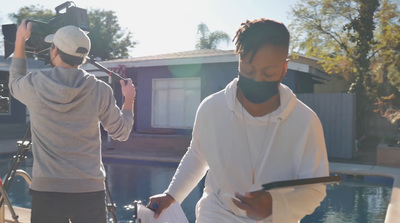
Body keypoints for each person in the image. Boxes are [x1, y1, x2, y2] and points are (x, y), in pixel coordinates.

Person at [147, 18, 329, 223]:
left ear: (285, 67)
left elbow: (314, 189)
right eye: (249, 70)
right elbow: (199, 155)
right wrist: (171, 195)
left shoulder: (305, 122)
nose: (258, 79)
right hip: (216, 215)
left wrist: (275, 205)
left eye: (269, 72)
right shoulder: (212, 108)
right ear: (239, 61)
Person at [9, 20, 136, 223]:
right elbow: (121, 132)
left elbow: (14, 80)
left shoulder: (35, 84)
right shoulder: (100, 90)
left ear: (55, 50)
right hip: (90, 190)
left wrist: (19, 40)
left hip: (47, 190)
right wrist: (129, 99)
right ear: (83, 57)